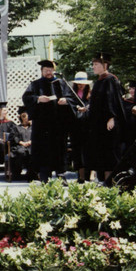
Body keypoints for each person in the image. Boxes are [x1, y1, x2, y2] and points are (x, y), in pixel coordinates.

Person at [22, 60, 76, 183]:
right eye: (46, 70)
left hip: (59, 125)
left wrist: (65, 100)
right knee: (43, 150)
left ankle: (61, 175)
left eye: (50, 70)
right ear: (41, 71)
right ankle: (44, 176)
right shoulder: (35, 85)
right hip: (42, 126)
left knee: (59, 149)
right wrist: (38, 99)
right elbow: (26, 98)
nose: (48, 72)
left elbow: (72, 98)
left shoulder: (62, 83)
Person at [85, 52, 126, 183]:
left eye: (96, 64)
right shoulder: (99, 81)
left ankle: (110, 182)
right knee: (100, 151)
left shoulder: (111, 79)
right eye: (93, 64)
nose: (93, 67)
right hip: (98, 124)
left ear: (105, 65)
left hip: (108, 123)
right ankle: (101, 180)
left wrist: (112, 117)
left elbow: (113, 100)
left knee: (109, 152)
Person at [68, 71, 92, 183]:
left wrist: (87, 109)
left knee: (88, 151)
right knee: (77, 152)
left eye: (82, 83)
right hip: (75, 127)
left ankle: (89, 175)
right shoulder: (72, 94)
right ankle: (81, 176)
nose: (80, 85)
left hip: (87, 127)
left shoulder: (91, 95)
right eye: (78, 83)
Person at [10, 106, 34, 181]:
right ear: (21, 117)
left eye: (26, 116)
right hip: (19, 146)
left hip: (31, 146)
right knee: (20, 152)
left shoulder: (33, 127)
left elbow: (38, 136)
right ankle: (17, 173)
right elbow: (13, 138)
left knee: (33, 152)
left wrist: (31, 141)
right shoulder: (16, 127)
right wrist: (22, 143)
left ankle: (32, 174)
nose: (25, 118)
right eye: (23, 116)